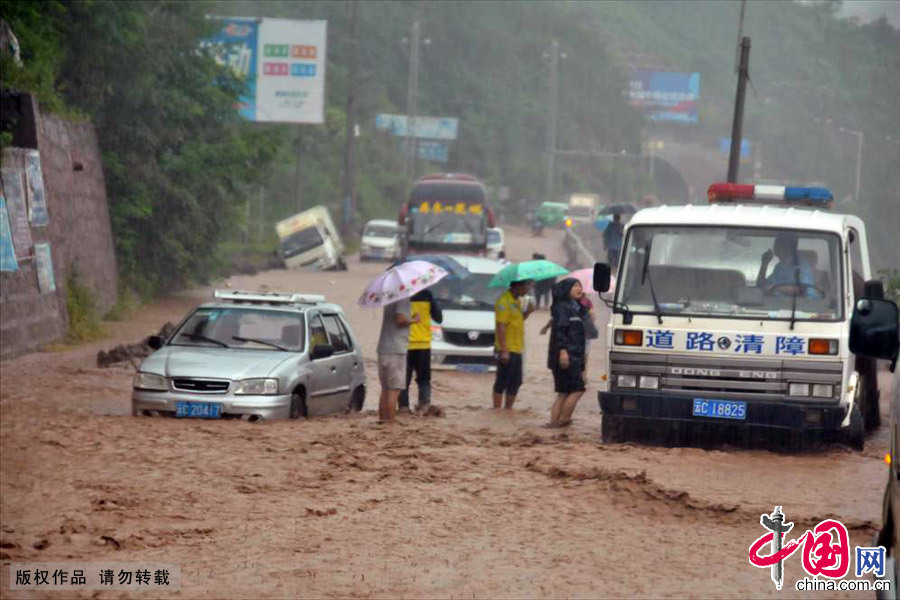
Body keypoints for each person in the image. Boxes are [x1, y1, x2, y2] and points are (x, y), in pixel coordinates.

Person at [547, 278, 588, 427]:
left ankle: (554, 423)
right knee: (577, 389)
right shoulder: (563, 307)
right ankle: (564, 420)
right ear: (567, 289)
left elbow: (581, 338)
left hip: (574, 357)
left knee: (564, 392)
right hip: (566, 356)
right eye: (575, 286)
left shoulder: (575, 308)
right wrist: (563, 352)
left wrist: (583, 366)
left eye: (580, 286)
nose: (579, 289)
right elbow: (560, 331)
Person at [493, 278, 535, 409]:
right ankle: (497, 410)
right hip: (507, 348)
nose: (527, 289)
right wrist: (504, 350)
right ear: (517, 286)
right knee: (502, 381)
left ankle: (508, 410)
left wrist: (527, 312)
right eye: (526, 286)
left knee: (516, 382)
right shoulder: (504, 301)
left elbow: (517, 320)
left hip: (517, 348)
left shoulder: (516, 301)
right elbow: (501, 326)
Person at [399, 288, 443, 412]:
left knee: (403, 381)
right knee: (424, 380)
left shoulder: (401, 295)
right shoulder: (427, 294)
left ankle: (403, 408)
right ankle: (424, 406)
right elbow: (439, 318)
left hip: (404, 345)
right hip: (423, 345)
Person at [377, 297, 419, 422]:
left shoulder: (390, 297)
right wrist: (414, 320)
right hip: (396, 350)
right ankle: (390, 425)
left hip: (383, 349)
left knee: (385, 389)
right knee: (394, 390)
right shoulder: (403, 298)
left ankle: (383, 422)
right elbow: (400, 319)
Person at [756, 233, 820, 298]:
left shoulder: (801, 266)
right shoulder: (779, 267)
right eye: (776, 244)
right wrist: (764, 264)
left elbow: (801, 290)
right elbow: (761, 286)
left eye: (778, 244)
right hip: (780, 304)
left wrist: (775, 288)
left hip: (803, 305)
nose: (774, 247)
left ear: (789, 247)